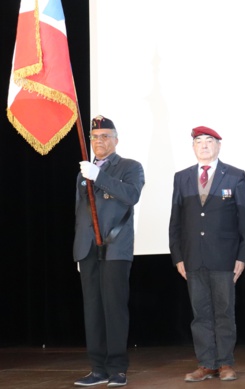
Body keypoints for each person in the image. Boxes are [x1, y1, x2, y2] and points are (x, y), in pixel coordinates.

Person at [169, 126, 245, 382]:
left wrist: (242, 257)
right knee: (201, 314)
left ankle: (226, 363)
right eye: (198, 141)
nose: (204, 145)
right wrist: (178, 257)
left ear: (218, 145)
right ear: (193, 147)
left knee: (224, 312)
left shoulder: (235, 175)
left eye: (209, 141)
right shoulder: (181, 177)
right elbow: (176, 222)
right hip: (193, 258)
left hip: (224, 258)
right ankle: (206, 363)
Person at [73, 115, 145, 387]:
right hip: (88, 250)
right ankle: (97, 368)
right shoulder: (84, 170)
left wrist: (99, 177)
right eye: (94, 137)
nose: (99, 141)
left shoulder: (129, 167)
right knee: (92, 310)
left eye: (105, 136)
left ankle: (117, 368)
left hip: (115, 249)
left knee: (113, 309)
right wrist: (79, 250)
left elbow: (131, 195)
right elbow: (79, 213)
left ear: (116, 140)